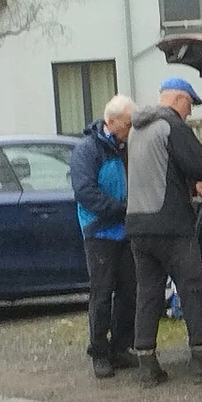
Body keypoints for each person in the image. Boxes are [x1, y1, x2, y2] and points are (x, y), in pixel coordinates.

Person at [126, 76, 202, 385]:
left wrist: (190, 184)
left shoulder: (138, 129)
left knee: (148, 293)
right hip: (171, 225)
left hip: (138, 224)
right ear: (179, 99)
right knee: (192, 289)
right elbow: (201, 164)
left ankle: (147, 368)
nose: (190, 112)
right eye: (190, 104)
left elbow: (158, 170)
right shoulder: (172, 126)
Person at [70, 94, 139, 379]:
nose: (130, 128)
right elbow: (85, 192)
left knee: (129, 291)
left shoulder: (125, 147)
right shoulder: (87, 150)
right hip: (99, 232)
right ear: (111, 122)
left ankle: (120, 347)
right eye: (127, 123)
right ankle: (99, 351)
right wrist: (121, 210)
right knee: (102, 293)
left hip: (124, 231)